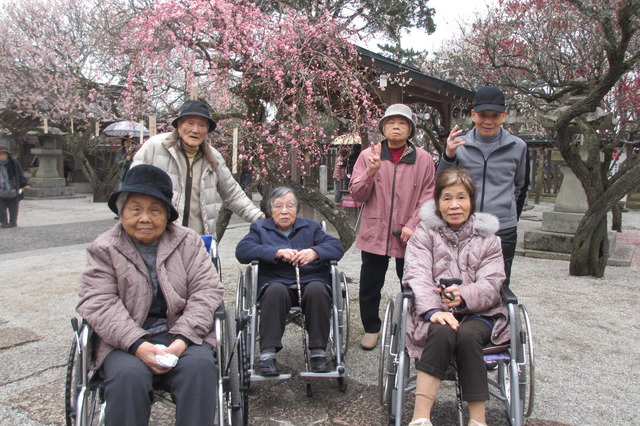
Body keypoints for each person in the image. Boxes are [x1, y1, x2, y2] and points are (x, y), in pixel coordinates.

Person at [77, 164, 223, 425]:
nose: (145, 218)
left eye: (155, 210)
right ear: (121, 214)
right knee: (128, 377)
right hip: (124, 339)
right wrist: (138, 345)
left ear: (167, 215)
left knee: (200, 369)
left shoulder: (188, 241)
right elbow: (98, 302)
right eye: (135, 209)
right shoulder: (104, 248)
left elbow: (207, 290)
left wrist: (181, 341)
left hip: (182, 334)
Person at [403, 168, 509, 426]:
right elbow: (416, 274)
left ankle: (478, 420)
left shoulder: (489, 238)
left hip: (480, 313)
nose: (454, 205)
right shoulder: (424, 233)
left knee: (467, 334)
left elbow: (492, 282)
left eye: (461, 197)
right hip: (434, 310)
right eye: (447, 198)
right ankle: (420, 417)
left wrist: (462, 296)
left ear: (472, 201)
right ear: (438, 202)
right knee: (440, 331)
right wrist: (432, 310)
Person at [348, 104, 435, 350]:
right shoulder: (368, 155)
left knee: (412, 283)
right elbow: (357, 194)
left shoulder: (424, 159)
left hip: (410, 234)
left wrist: (413, 225)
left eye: (402, 123)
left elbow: (429, 196)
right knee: (370, 283)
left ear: (411, 130)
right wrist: (369, 173)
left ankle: (414, 328)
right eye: (391, 122)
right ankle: (371, 328)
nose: (396, 127)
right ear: (383, 128)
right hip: (375, 231)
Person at [235, 186, 344, 376]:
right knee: (275, 291)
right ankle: (268, 355)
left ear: (297, 209)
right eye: (278, 206)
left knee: (318, 290)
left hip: (310, 281)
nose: (284, 211)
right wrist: (275, 252)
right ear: (270, 210)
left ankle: (318, 352)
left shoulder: (311, 227)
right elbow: (242, 251)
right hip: (275, 284)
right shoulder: (260, 228)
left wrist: (315, 252)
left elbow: (336, 246)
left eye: (290, 206)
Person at [437, 86, 528, 287]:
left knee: (498, 282)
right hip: (463, 225)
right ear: (473, 115)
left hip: (503, 227)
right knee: (461, 280)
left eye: (495, 115)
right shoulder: (459, 144)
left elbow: (521, 186)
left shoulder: (518, 146)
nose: (488, 121)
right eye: (482, 115)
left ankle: (496, 318)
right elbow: (441, 183)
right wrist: (449, 155)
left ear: (504, 116)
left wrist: (510, 214)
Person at [132, 100, 263, 235]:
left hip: (197, 240)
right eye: (190, 123)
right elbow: (131, 189)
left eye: (202, 125)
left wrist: (258, 217)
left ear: (207, 130)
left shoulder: (213, 158)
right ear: (179, 125)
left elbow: (232, 193)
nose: (196, 130)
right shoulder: (155, 147)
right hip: (159, 236)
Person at [0, 144, 28, 228]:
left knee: (13, 207)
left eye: (4, 154)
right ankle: (3, 222)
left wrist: (21, 187)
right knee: (1, 208)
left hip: (13, 188)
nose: (2, 156)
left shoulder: (14, 163)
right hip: (1, 189)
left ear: (7, 154)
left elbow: (20, 174)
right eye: (0, 154)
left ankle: (13, 222)